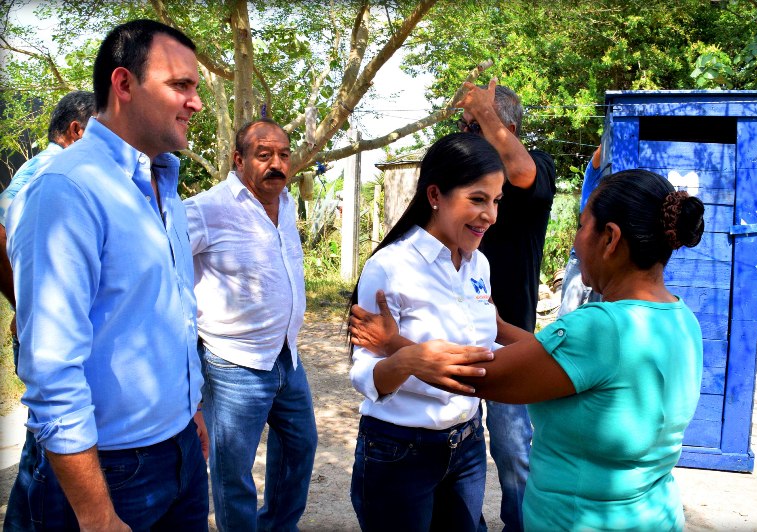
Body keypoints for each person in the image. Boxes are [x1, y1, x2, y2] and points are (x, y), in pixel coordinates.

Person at [352, 169, 706, 531]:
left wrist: (395, 344)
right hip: (655, 514)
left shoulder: (599, 326)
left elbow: (478, 377)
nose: (576, 239)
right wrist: (501, 328)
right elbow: (564, 362)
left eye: (583, 226)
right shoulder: (680, 319)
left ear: (610, 238)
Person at [4, 19, 206, 531]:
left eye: (196, 88)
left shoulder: (164, 184)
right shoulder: (68, 190)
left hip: (180, 452)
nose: (196, 103)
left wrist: (190, 406)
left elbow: (164, 312)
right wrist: (96, 515)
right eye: (180, 85)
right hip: (111, 473)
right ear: (123, 85)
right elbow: (51, 370)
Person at [348, 132, 501, 531]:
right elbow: (363, 373)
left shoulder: (479, 265)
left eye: (496, 201)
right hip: (400, 449)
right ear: (435, 195)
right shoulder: (389, 267)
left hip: (467, 441)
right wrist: (408, 360)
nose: (490, 216)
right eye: (478, 199)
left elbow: (487, 342)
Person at [184, 118, 318, 531]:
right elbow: (164, 274)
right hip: (232, 364)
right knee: (233, 473)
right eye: (264, 155)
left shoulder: (288, 202)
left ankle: (278, 525)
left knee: (301, 447)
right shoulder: (205, 210)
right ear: (238, 159)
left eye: (282, 154)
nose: (277, 164)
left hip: (287, 358)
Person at [456, 78, 556, 531]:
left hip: (509, 342)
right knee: (454, 446)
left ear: (506, 128)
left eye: (472, 127)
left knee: (514, 451)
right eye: (464, 127)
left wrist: (487, 115)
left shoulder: (536, 171)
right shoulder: (457, 184)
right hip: (454, 338)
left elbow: (521, 175)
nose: (465, 137)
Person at [0, 90, 96, 363]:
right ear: (76, 130)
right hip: (49, 337)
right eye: (100, 132)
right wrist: (24, 307)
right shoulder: (48, 167)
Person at [558, 144, 606, 316]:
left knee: (595, 318)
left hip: (604, 264)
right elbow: (600, 152)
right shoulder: (594, 175)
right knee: (567, 317)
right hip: (581, 259)